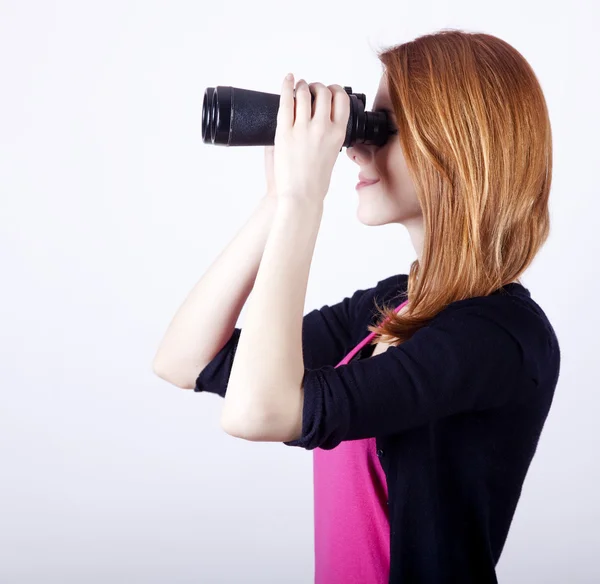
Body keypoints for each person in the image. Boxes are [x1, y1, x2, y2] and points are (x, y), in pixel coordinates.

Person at [153, 29, 560, 584]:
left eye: (383, 130)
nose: (355, 148)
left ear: (454, 148)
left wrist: (304, 200)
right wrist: (278, 200)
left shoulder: (498, 336)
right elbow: (186, 360)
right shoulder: (396, 303)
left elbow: (258, 412)